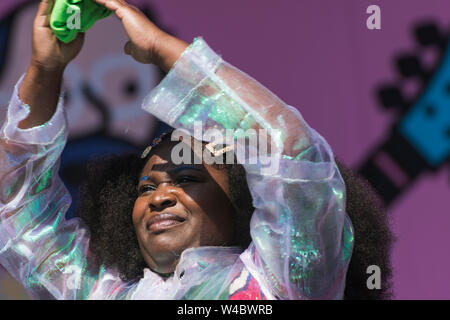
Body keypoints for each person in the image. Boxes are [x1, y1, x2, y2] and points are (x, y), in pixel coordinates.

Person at [0, 0, 392, 299]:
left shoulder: (279, 283)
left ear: (244, 206)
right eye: (146, 188)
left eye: (186, 179)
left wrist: (163, 51)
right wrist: (44, 69)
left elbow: (289, 153)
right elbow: (16, 212)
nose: (160, 197)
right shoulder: (103, 293)